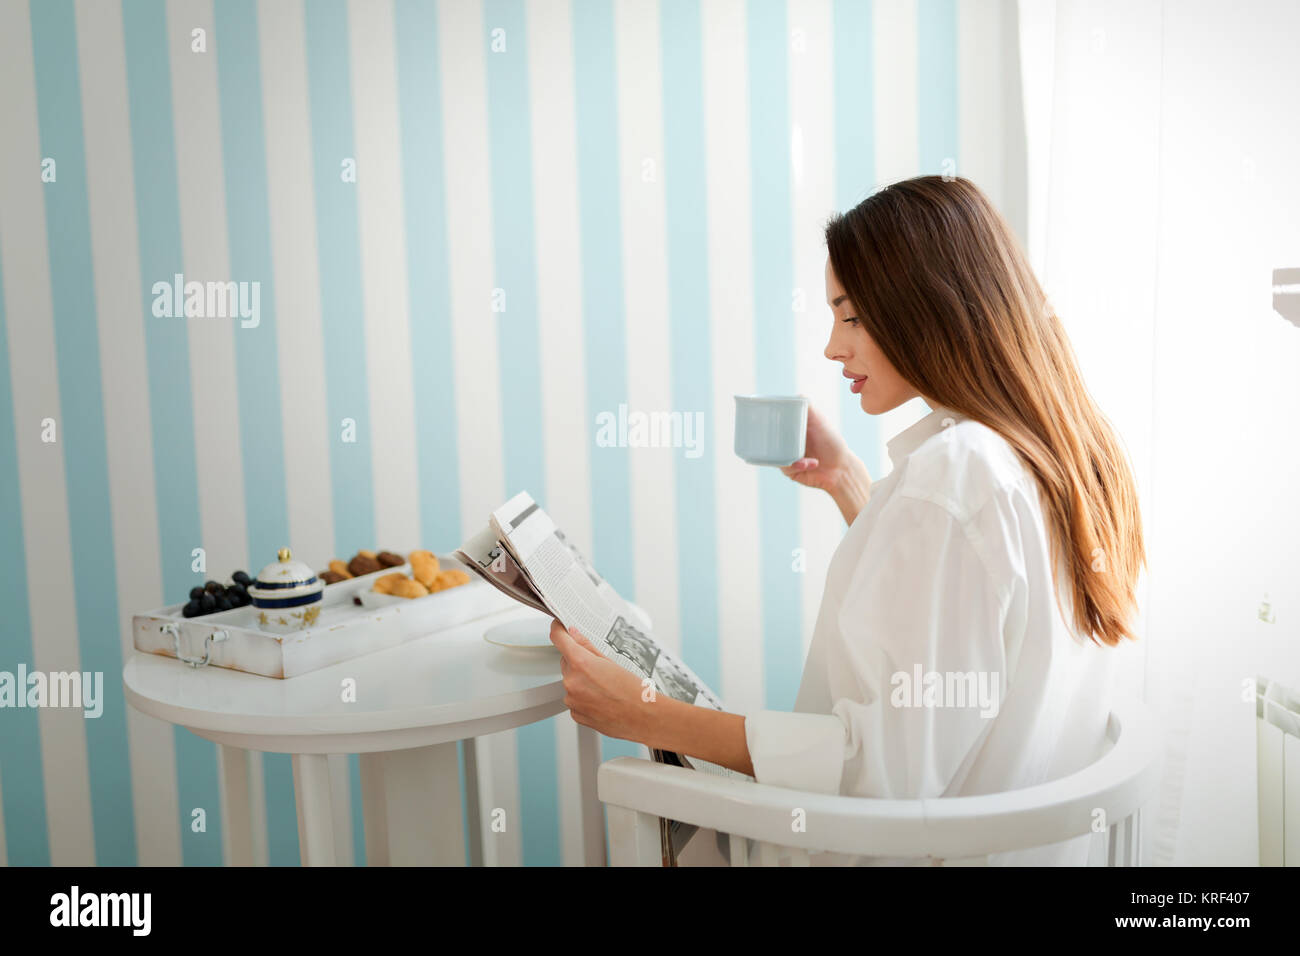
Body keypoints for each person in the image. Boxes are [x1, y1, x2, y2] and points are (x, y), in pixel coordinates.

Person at [549, 175, 1145, 865]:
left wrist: (645, 713)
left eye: (852, 316)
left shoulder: (953, 480)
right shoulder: (1057, 455)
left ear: (931, 308)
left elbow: (877, 776)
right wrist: (852, 488)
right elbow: (974, 624)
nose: (833, 347)